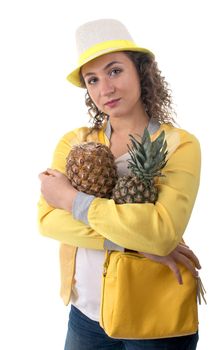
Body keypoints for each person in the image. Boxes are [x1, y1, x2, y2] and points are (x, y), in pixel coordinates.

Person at [38, 18, 202, 350]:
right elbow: (48, 221)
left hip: (155, 316)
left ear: (141, 71)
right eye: (93, 80)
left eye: (115, 71)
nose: (105, 89)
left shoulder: (179, 145)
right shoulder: (76, 144)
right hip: (86, 315)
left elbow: (162, 233)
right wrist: (136, 244)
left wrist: (71, 200)